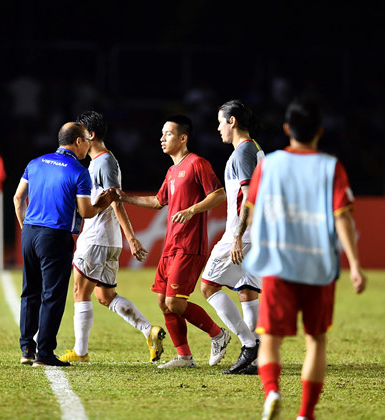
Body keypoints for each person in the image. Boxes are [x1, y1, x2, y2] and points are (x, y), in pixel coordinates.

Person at [244, 98, 366, 420]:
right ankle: (306, 417)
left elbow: (250, 208)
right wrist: (355, 265)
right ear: (320, 132)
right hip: (318, 266)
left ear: (287, 129)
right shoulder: (331, 167)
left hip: (278, 263)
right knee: (316, 340)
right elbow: (343, 219)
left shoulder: (270, 164)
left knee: (270, 339)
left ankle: (271, 393)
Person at [115, 115, 229, 369]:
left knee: (175, 302)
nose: (162, 138)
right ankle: (185, 357)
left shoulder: (198, 163)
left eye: (167, 134)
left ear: (183, 138)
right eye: (162, 134)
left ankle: (218, 335)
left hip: (190, 244)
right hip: (171, 244)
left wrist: (191, 210)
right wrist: (125, 197)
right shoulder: (172, 171)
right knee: (162, 301)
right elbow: (158, 202)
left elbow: (219, 195)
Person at [58, 111, 165, 364]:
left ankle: (80, 352)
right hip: (107, 240)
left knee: (79, 292)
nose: (78, 140)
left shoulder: (103, 162)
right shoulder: (100, 162)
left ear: (90, 135)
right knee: (104, 296)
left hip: (97, 238)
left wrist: (132, 238)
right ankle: (148, 331)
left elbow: (115, 200)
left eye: (81, 135)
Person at [13, 122, 115, 367]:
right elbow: (86, 211)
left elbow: (18, 198)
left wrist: (26, 228)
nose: (89, 145)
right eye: (86, 141)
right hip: (55, 236)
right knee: (53, 295)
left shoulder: (35, 163)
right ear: (78, 141)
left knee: (30, 291)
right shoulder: (78, 171)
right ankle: (44, 353)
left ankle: (27, 348)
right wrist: (103, 202)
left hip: (29, 232)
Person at [200, 100, 264, 375]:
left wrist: (237, 237)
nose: (218, 128)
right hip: (260, 233)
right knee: (247, 290)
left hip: (244, 233)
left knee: (208, 286)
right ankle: (259, 358)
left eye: (220, 121)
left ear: (233, 121)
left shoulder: (242, 154)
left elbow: (249, 196)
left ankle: (250, 345)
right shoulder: (257, 150)